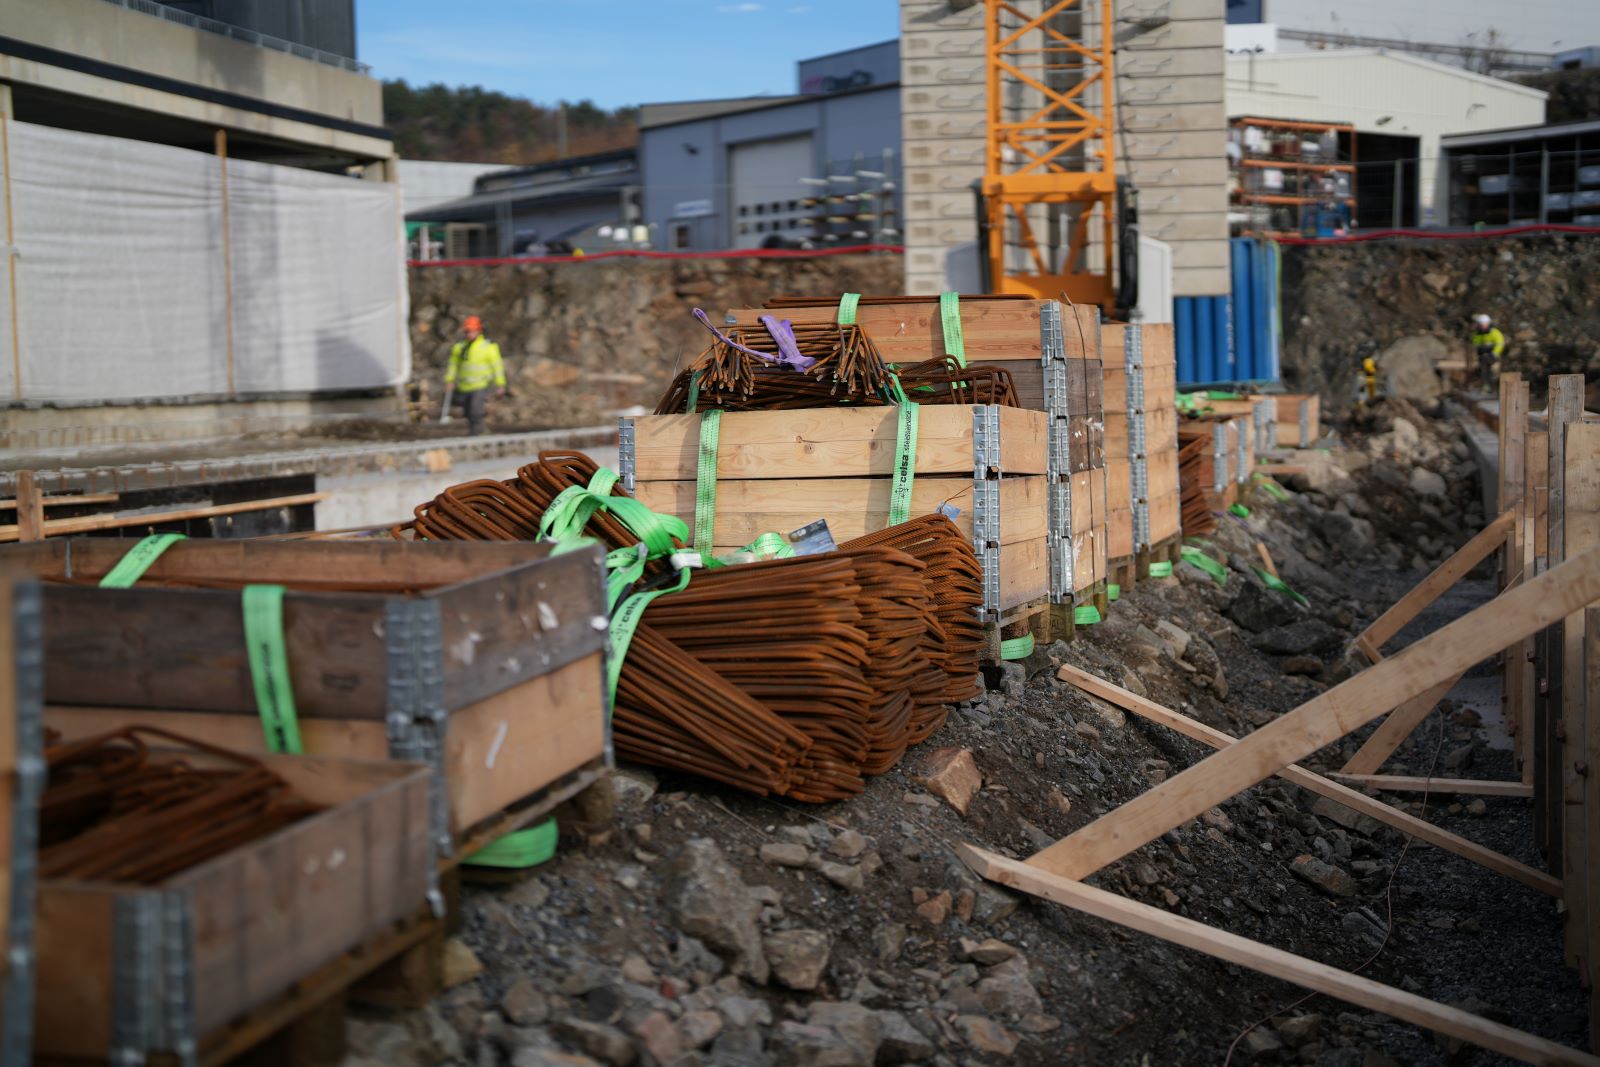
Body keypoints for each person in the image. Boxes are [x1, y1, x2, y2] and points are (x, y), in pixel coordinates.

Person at [445, 315, 505, 436]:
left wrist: (500, 384)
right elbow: (453, 365)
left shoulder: (488, 347)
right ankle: (478, 430)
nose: (470, 334)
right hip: (464, 385)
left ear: (479, 331)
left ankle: (477, 433)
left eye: (472, 331)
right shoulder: (460, 347)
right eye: (467, 331)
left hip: (481, 384)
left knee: (475, 410)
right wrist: (449, 380)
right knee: (467, 412)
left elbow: (497, 367)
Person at [1470, 313, 1505, 389]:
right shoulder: (1477, 335)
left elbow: (1500, 344)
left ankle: (1490, 385)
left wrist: (1494, 353)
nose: (1483, 326)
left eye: (1484, 324)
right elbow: (1476, 344)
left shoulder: (1495, 333)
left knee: (1488, 367)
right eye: (1481, 324)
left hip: (1493, 355)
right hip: (1483, 356)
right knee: (1483, 367)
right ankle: (1486, 385)